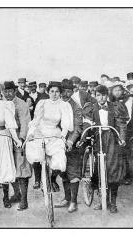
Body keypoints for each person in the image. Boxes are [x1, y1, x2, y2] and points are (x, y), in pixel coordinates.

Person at [82, 85, 128, 213]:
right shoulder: (91, 107)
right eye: (98, 95)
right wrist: (85, 135)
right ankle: (102, 200)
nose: (101, 98)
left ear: (107, 95)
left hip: (112, 138)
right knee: (98, 169)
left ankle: (113, 202)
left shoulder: (115, 107)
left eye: (103, 95)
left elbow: (121, 125)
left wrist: (122, 138)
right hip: (98, 138)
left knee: (112, 170)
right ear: (95, 96)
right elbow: (87, 122)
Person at [25, 81, 72, 173]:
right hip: (40, 131)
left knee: (59, 155)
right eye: (52, 91)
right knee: (36, 152)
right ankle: (38, 179)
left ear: (60, 93)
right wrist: (31, 133)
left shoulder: (64, 105)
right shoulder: (43, 103)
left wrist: (63, 136)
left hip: (54, 132)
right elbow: (36, 120)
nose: (54, 94)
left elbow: (66, 124)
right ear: (48, 92)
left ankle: (53, 179)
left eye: (57, 91)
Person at [53, 80, 83, 213]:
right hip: (58, 143)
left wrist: (70, 141)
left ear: (72, 92)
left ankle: (74, 201)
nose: (66, 93)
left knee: (73, 171)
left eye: (69, 91)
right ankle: (66, 198)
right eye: (63, 91)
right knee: (62, 171)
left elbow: (77, 127)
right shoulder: (56, 104)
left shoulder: (75, 106)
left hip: (72, 144)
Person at [3, 81, 32, 210]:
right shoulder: (2, 103)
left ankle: (24, 200)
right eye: (5, 91)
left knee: (22, 169)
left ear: (15, 91)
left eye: (10, 91)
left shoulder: (21, 104)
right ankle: (16, 193)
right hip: (5, 139)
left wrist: (21, 139)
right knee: (8, 168)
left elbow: (25, 122)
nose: (7, 93)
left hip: (19, 140)